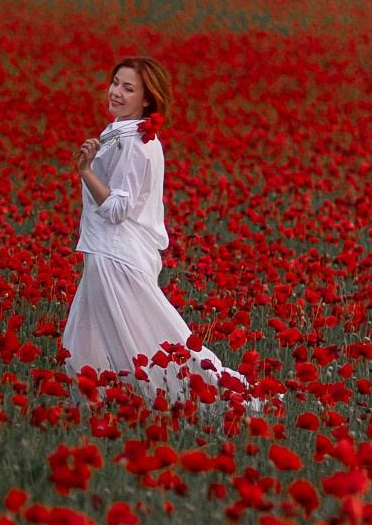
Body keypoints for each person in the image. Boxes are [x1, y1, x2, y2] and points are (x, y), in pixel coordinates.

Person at [62, 56, 254, 411]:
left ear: (147, 99)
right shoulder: (121, 133)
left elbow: (118, 210)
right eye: (115, 82)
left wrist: (85, 171)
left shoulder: (135, 143)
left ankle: (210, 397)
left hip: (115, 256)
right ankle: (102, 408)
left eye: (128, 88)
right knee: (86, 343)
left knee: (146, 342)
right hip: (106, 251)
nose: (116, 92)